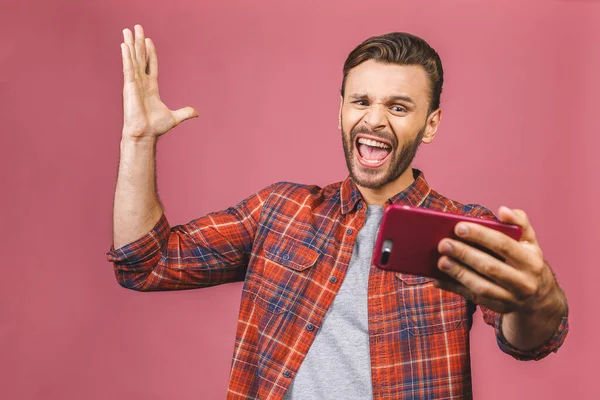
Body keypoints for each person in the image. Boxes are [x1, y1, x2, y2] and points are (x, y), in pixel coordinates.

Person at [107, 24, 569, 399]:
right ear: (341, 109)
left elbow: (532, 340)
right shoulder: (280, 210)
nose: (374, 120)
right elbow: (146, 263)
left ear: (430, 125)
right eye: (361, 101)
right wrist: (138, 140)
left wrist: (537, 298)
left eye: (399, 107)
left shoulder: (462, 229)